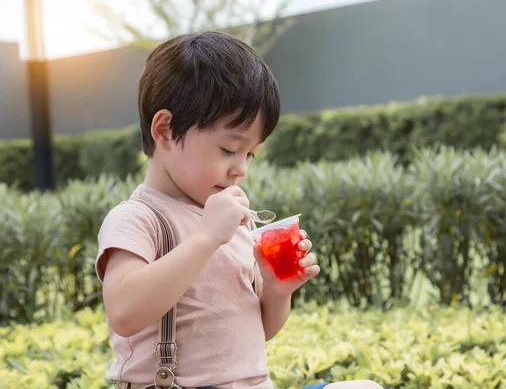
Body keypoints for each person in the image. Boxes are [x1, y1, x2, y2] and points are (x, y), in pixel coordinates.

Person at [95, 31, 383, 389]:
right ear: (165, 130)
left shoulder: (231, 223)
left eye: (250, 154)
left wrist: (277, 291)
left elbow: (258, 333)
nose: (240, 168)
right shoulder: (139, 219)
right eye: (229, 149)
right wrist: (206, 238)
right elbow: (123, 312)